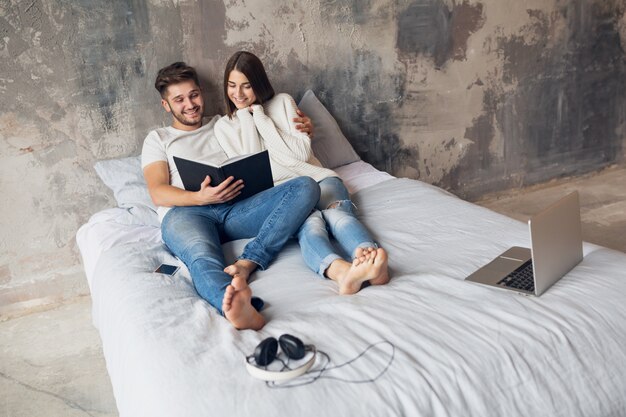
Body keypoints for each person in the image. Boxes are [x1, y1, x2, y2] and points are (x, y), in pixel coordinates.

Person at [142, 62, 321, 330]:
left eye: (193, 95)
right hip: (187, 213)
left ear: (201, 93)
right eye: (179, 100)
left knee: (306, 186)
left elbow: (274, 137)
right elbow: (157, 192)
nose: (189, 104)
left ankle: (251, 259)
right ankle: (241, 308)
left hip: (236, 208)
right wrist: (200, 198)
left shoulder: (225, 123)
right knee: (203, 257)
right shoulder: (159, 138)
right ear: (166, 105)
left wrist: (304, 128)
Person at [214, 51, 390, 295]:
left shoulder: (283, 103)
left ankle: (371, 262)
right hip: (285, 196)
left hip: (318, 178)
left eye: (247, 86)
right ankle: (342, 273)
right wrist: (246, 117)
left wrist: (262, 117)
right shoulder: (224, 126)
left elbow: (299, 155)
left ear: (259, 84)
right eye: (232, 86)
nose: (238, 94)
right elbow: (254, 163)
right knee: (311, 227)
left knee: (338, 216)